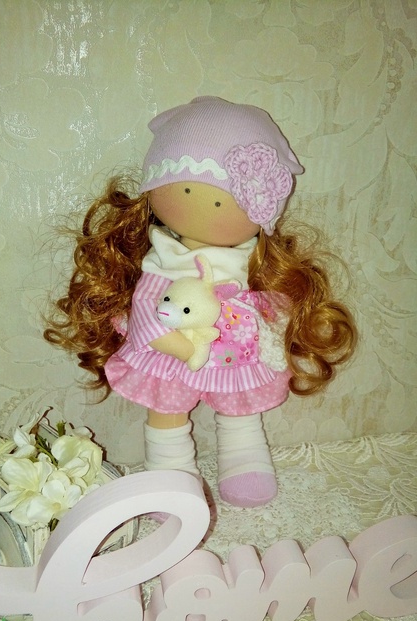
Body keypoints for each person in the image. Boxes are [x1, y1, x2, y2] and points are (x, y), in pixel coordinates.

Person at [45, 96, 357, 508]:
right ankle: (171, 475)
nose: (206, 205)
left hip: (234, 355)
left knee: (240, 407)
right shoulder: (164, 262)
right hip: (172, 353)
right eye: (187, 188)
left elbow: (269, 307)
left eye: (222, 198)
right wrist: (174, 343)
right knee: (167, 409)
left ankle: (245, 459)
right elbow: (147, 309)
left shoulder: (250, 264)